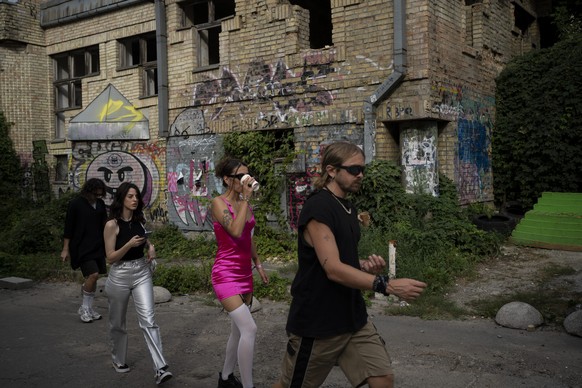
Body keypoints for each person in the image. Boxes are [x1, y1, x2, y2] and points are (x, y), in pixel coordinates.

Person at [274, 141, 428, 388]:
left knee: (382, 378)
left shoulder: (347, 206)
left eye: (362, 169)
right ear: (332, 171)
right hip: (318, 320)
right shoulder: (319, 208)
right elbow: (332, 268)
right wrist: (386, 285)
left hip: (352, 316)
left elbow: (341, 259)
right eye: (354, 170)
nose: (361, 175)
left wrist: (363, 266)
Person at [103, 182, 173, 385]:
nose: (135, 200)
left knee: (149, 320)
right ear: (122, 198)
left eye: (136, 197)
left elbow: (145, 239)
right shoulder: (111, 225)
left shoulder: (139, 219)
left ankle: (160, 368)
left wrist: (150, 247)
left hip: (142, 271)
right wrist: (128, 245)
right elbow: (110, 258)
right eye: (130, 196)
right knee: (117, 322)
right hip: (119, 275)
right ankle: (118, 359)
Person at [211, 157, 269, 388]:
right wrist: (245, 198)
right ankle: (248, 386)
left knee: (237, 331)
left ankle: (225, 378)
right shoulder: (218, 203)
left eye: (248, 175)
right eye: (240, 176)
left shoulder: (247, 205)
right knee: (250, 328)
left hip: (245, 273)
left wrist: (258, 264)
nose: (246, 180)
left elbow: (248, 236)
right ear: (227, 179)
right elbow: (235, 231)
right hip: (225, 274)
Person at [61, 177, 107, 323]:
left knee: (95, 277)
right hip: (81, 247)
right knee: (93, 275)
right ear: (88, 191)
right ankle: (84, 308)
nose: (97, 197)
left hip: (98, 246)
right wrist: (65, 249)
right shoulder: (76, 204)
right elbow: (68, 228)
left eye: (99, 195)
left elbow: (105, 225)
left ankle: (89, 307)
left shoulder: (100, 204)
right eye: (95, 194)